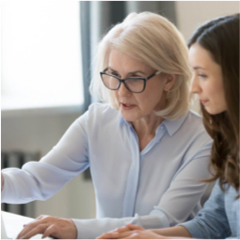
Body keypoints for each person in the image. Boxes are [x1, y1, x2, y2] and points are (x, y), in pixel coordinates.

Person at [1, 12, 212, 239]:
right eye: (113, 75)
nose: (121, 92)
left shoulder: (202, 139)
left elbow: (164, 220)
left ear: (169, 79)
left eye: (134, 77)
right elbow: (36, 180)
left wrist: (77, 228)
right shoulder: (96, 122)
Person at [98, 13, 240, 239]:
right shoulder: (233, 145)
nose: (192, 87)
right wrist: (146, 236)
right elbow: (213, 223)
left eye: (202, 75)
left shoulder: (201, 138)